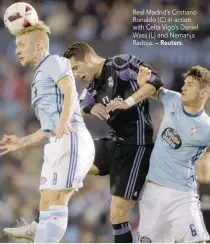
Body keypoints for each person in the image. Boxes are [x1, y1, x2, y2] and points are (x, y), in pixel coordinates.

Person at [3, 42, 163, 243]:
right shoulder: (91, 86)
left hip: (137, 146)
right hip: (112, 143)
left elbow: (157, 80)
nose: (76, 75)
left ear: (88, 58)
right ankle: (37, 225)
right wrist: (91, 108)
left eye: (76, 68)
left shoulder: (121, 64)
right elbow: (77, 108)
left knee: (117, 215)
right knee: (67, 161)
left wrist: (127, 102)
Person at [0, 24, 95, 243]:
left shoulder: (53, 62)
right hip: (56, 140)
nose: (17, 50)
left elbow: (70, 90)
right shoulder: (39, 76)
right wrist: (22, 142)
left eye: (22, 44)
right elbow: (48, 126)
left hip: (71, 137)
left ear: (39, 45)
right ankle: (39, 234)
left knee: (56, 199)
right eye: (16, 45)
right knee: (44, 202)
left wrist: (63, 122)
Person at [137, 65, 210, 243]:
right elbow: (154, 91)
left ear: (203, 94)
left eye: (191, 85)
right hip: (152, 192)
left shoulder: (206, 127)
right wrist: (142, 84)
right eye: (185, 83)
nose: (183, 87)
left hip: (182, 195)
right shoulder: (173, 100)